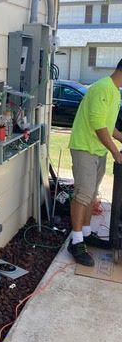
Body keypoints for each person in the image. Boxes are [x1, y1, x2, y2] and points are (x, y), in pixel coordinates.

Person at [67, 60, 122, 266]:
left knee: (91, 193)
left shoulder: (115, 92)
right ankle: (76, 241)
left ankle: (86, 233)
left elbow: (109, 127)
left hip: (97, 150)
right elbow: (99, 126)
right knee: (83, 194)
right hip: (84, 148)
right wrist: (116, 152)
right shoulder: (102, 89)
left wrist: (121, 138)